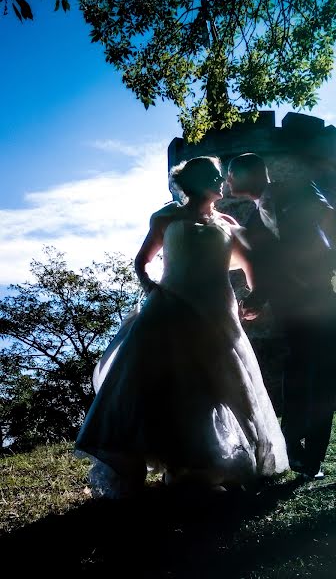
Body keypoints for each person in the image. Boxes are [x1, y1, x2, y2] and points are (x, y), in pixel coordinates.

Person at [75, 156, 289, 498]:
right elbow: (142, 261)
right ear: (196, 180)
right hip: (168, 308)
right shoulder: (165, 217)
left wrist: (252, 299)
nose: (221, 181)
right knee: (157, 383)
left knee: (213, 386)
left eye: (221, 176)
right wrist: (149, 287)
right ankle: (150, 460)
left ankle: (198, 465)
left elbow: (252, 266)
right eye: (214, 175)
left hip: (216, 312)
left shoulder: (229, 224)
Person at [226, 153, 336, 479]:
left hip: (327, 294)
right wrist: (256, 300)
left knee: (326, 376)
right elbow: (267, 270)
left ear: (246, 175)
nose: (227, 184)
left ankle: (313, 459)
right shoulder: (252, 223)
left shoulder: (300, 189)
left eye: (230, 177)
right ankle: (294, 446)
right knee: (298, 374)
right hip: (291, 308)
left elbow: (333, 223)